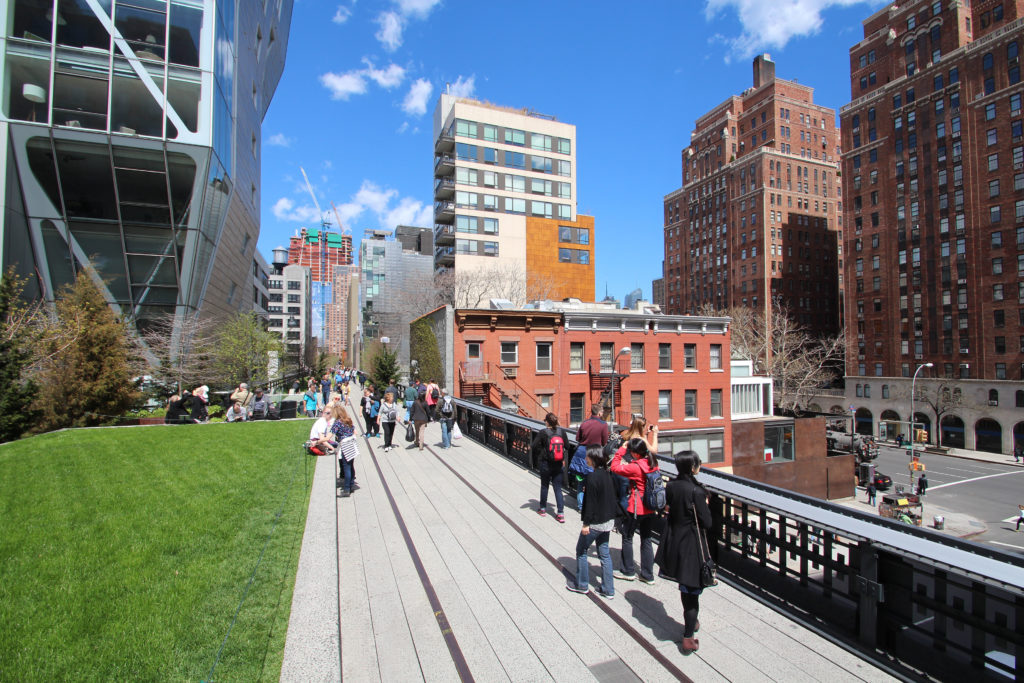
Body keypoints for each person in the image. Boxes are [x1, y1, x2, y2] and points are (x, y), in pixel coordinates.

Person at [654, 450, 712, 654]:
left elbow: (668, 508)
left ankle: (691, 624)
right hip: (692, 545)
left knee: (684, 589)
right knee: (692, 594)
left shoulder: (671, 486)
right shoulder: (697, 492)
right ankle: (688, 636)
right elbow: (707, 522)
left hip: (675, 541)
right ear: (693, 467)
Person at [567, 446, 618, 598]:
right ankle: (608, 589)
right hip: (608, 521)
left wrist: (586, 524)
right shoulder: (608, 474)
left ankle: (582, 584)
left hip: (595, 523)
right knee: (604, 554)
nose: (585, 459)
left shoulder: (592, 477)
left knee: (581, 550)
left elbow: (590, 503)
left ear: (593, 459)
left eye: (588, 457)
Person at [610, 437, 660, 584]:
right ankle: (647, 574)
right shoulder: (653, 463)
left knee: (627, 536)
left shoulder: (636, 467)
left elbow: (615, 467)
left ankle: (628, 570)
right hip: (650, 506)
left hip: (636, 506)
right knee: (646, 539)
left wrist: (621, 450)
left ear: (635, 453)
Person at [531, 412, 570, 523]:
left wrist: (542, 452)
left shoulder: (543, 432)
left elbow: (534, 446)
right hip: (558, 464)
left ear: (547, 422)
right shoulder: (562, 432)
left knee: (544, 486)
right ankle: (560, 513)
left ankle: (542, 509)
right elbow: (567, 446)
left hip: (546, 463)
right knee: (558, 488)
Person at [571, 405, 610, 511]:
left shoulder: (584, 423)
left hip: (582, 452)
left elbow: (577, 438)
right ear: (599, 413)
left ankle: (580, 506)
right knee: (594, 480)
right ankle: (592, 505)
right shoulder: (603, 425)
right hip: (595, 453)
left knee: (581, 480)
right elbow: (604, 441)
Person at [330, 404, 356, 497]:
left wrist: (319, 440)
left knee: (346, 467)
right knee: (351, 465)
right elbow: (354, 431)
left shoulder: (337, 423)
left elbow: (330, 435)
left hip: (344, 445)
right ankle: (352, 483)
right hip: (352, 444)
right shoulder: (348, 420)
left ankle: (346, 488)